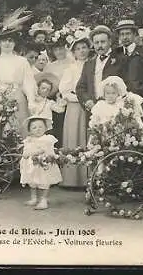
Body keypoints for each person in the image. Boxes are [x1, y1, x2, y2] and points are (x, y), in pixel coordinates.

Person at [0, 25, 36, 137]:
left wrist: (31, 100)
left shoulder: (22, 61)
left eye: (10, 41)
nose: (7, 43)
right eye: (4, 41)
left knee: (20, 127)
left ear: (14, 43)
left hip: (18, 97)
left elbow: (28, 82)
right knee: (1, 129)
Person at [58, 31, 91, 187]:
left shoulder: (93, 65)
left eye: (84, 47)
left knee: (89, 138)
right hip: (75, 107)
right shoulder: (71, 68)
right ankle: (73, 179)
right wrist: (78, 99)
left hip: (91, 106)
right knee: (75, 138)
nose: (82, 51)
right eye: (78, 49)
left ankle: (89, 178)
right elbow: (64, 90)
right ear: (74, 52)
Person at [76, 25, 128, 114]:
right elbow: (80, 88)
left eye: (103, 42)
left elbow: (128, 86)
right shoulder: (89, 64)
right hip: (93, 111)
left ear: (110, 41)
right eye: (96, 43)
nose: (100, 45)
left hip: (114, 111)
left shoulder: (121, 60)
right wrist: (87, 101)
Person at [20, 114, 62, 210]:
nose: (38, 129)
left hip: (43, 164)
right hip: (32, 165)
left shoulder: (47, 139)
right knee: (32, 182)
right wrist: (25, 154)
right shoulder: (29, 140)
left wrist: (33, 153)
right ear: (30, 130)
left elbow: (45, 151)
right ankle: (34, 198)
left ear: (45, 128)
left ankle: (43, 199)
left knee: (44, 181)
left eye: (40, 127)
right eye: (34, 127)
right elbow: (26, 151)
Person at [30, 73, 66, 142]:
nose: (45, 91)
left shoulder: (50, 102)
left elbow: (60, 110)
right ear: (38, 88)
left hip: (46, 130)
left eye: (48, 89)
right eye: (43, 88)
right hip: (33, 129)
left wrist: (59, 99)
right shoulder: (31, 101)